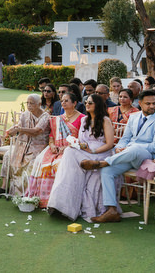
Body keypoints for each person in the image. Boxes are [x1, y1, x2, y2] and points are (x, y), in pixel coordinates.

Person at [81, 90, 155, 222]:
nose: (152, 106)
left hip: (146, 157)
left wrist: (130, 148)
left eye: (154, 103)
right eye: (148, 103)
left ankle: (104, 162)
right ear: (140, 103)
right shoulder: (133, 117)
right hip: (128, 156)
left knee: (135, 148)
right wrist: (119, 148)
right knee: (107, 171)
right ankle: (111, 210)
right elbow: (125, 139)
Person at [46, 93, 115, 221]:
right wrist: (79, 144)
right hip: (85, 151)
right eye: (86, 102)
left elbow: (110, 144)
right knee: (69, 151)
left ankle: (90, 163)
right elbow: (82, 140)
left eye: (90, 103)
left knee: (70, 154)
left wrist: (94, 151)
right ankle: (60, 204)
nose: (87, 105)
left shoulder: (105, 120)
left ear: (97, 105)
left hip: (100, 152)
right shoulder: (84, 120)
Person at [24, 92, 84, 207]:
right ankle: (41, 199)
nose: (63, 103)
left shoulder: (82, 118)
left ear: (74, 103)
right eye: (62, 101)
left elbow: (81, 139)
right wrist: (51, 145)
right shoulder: (58, 119)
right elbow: (51, 136)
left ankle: (57, 201)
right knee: (40, 162)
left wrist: (66, 147)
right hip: (55, 147)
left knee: (58, 164)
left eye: (66, 100)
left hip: (72, 149)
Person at [0, 94, 50, 197]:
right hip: (23, 144)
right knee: (8, 155)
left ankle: (26, 192)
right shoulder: (25, 114)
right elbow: (19, 126)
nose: (29, 105)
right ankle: (4, 187)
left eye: (32, 103)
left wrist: (19, 129)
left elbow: (36, 131)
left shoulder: (45, 116)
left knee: (32, 162)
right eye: (27, 103)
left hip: (38, 147)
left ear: (39, 104)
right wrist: (13, 129)